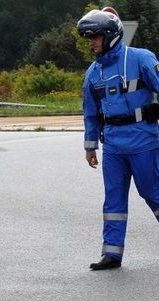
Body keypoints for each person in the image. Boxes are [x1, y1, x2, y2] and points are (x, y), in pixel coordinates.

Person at [78, 8, 159, 270]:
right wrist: (90, 147)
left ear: (111, 35)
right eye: (89, 38)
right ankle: (112, 253)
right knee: (113, 200)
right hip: (112, 145)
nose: (92, 42)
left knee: (153, 193)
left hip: (143, 142)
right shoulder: (93, 73)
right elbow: (90, 113)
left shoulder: (141, 59)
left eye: (95, 37)